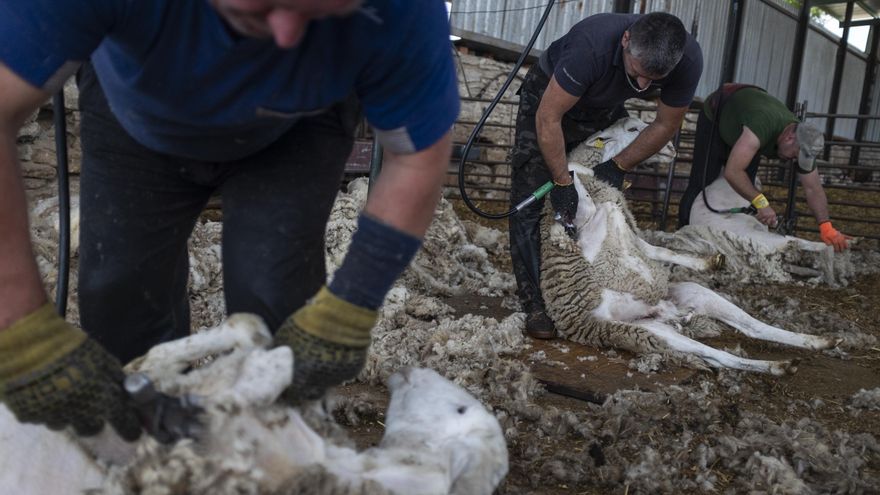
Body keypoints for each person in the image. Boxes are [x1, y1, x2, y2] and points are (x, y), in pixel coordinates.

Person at [0, 0, 459, 441]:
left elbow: (416, 159)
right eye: (261, 6)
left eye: (318, 11)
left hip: (297, 128)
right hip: (135, 116)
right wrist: (21, 328)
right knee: (120, 294)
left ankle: (276, 452)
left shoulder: (402, 10)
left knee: (277, 298)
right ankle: (147, 450)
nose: (286, 33)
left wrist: (352, 305)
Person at [508, 12, 703, 339]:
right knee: (530, 200)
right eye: (639, 74)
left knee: (601, 197)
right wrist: (560, 181)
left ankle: (594, 281)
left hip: (606, 104)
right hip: (551, 99)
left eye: (653, 81)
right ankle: (536, 303)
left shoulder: (687, 59)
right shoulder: (591, 45)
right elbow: (548, 117)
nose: (643, 87)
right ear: (626, 40)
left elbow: (666, 124)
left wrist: (619, 165)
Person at [677, 84, 851, 252]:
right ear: (790, 137)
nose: (794, 160)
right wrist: (762, 202)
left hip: (749, 129)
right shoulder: (762, 124)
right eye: (795, 154)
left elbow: (813, 188)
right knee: (702, 180)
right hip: (719, 113)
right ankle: (683, 236)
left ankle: (738, 242)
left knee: (747, 187)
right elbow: (733, 172)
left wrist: (826, 226)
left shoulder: (804, 142)